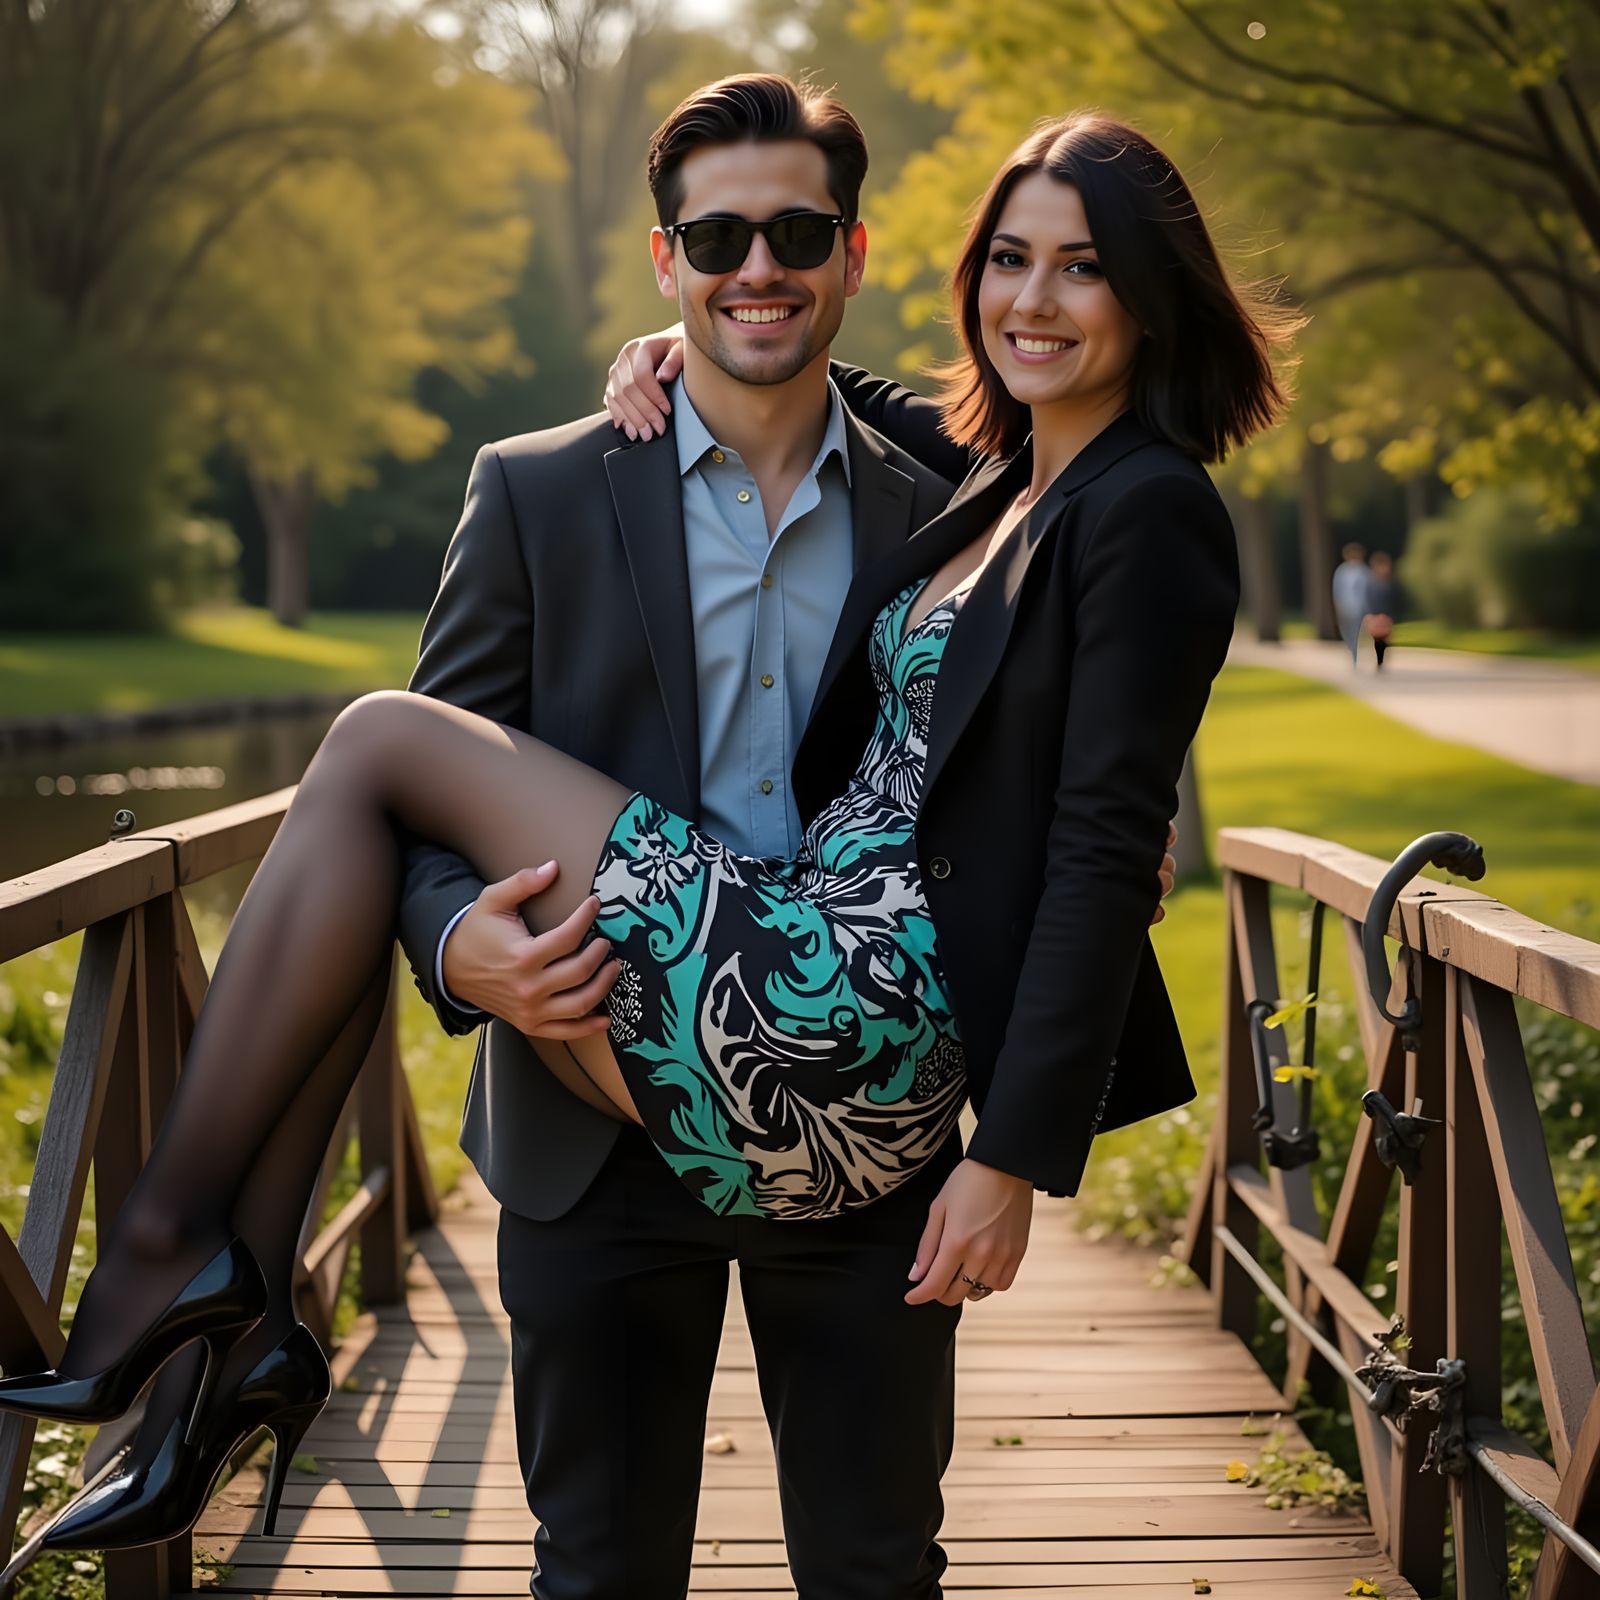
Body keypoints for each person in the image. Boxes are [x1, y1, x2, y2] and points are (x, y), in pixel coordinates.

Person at [0, 89, 1291, 1600]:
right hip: (617, 1124)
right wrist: (454, 948)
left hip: (838, 1029)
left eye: (1083, 266)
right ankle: (235, 1294)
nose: (1037, 298)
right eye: (1012, 260)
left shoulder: (1116, 507)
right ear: (667, 254)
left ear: (857, 250)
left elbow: (1094, 847)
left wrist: (1015, 1159)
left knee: (372, 740)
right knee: (597, 1575)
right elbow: (885, 390)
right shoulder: (993, 482)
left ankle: (181, 1261)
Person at [1331, 541, 1373, 666]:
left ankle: (1355, 653)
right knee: (1346, 631)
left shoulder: (1364, 572)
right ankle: (1352, 648)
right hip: (1346, 607)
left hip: (1360, 608)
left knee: (1356, 631)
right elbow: (1337, 591)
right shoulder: (1342, 571)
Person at [1366, 549, 1399, 670]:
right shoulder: (1371, 584)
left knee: (1384, 639)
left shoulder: (1389, 584)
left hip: (1386, 614)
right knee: (1377, 639)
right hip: (1375, 614)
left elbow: (1394, 601)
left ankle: (1381, 660)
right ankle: (1379, 660)